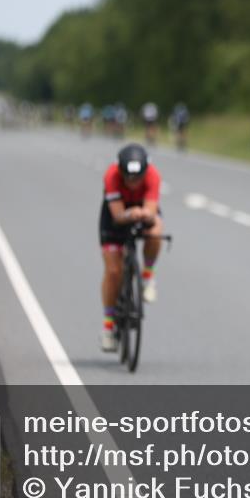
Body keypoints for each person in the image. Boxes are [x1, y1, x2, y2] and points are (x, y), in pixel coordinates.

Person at [99, 144, 164, 352]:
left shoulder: (153, 175)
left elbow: (152, 211)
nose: (133, 183)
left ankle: (147, 276)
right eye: (128, 178)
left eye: (138, 178)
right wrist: (130, 214)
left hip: (142, 210)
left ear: (146, 171)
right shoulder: (111, 176)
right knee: (114, 271)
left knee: (155, 233)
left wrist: (143, 214)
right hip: (115, 216)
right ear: (120, 171)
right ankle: (108, 326)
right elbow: (118, 215)